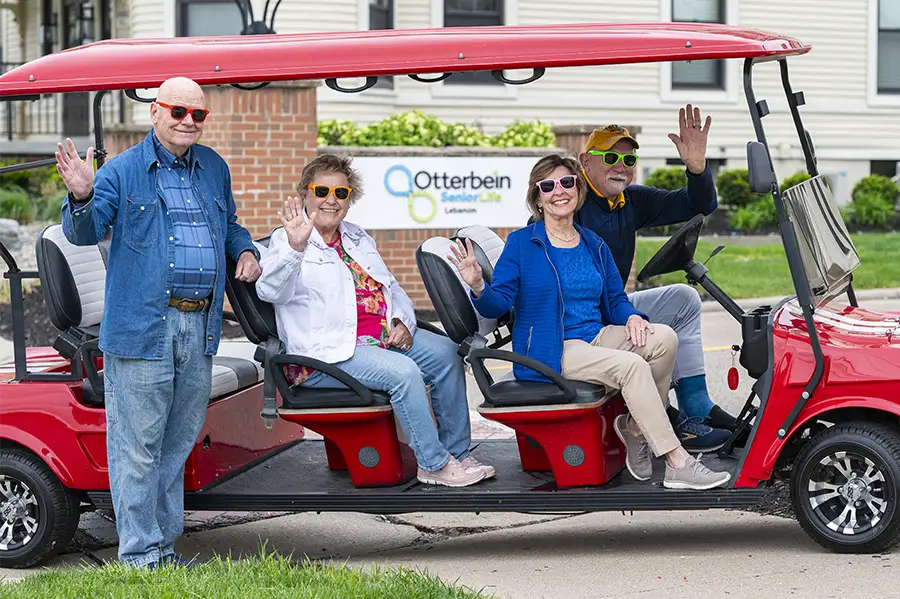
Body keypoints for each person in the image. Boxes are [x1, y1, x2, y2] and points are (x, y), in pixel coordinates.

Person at [55, 77, 263, 569]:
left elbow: (229, 223)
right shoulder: (122, 171)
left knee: (175, 445)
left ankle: (162, 547)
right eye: (177, 111)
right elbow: (84, 231)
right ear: (154, 113)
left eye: (198, 115)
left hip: (200, 327)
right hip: (144, 328)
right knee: (138, 448)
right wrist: (82, 195)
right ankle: (140, 554)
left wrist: (246, 249)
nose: (188, 121)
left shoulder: (213, 167)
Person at [450, 154, 730, 490]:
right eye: (548, 185)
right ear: (538, 197)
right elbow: (499, 303)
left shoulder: (592, 243)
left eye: (567, 182)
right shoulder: (522, 244)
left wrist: (632, 318)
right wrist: (478, 284)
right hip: (551, 350)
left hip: (593, 336)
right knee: (631, 367)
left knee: (664, 338)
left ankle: (637, 429)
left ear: (578, 189)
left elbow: (615, 299)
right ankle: (676, 461)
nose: (559, 191)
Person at [255, 153, 493, 488]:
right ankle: (433, 464)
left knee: (447, 353)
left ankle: (457, 453)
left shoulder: (357, 237)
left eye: (341, 193)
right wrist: (296, 247)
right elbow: (270, 291)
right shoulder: (287, 240)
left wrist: (401, 321)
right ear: (305, 194)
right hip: (327, 354)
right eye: (322, 191)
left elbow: (391, 288)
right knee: (404, 373)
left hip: (379, 338)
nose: (331, 200)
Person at [574, 106, 739, 450]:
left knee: (684, 298)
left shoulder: (628, 200)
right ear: (585, 161)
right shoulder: (571, 205)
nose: (621, 166)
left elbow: (698, 205)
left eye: (629, 161)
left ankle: (696, 406)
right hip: (585, 325)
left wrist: (696, 168)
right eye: (610, 156)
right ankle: (665, 420)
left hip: (613, 309)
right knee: (656, 336)